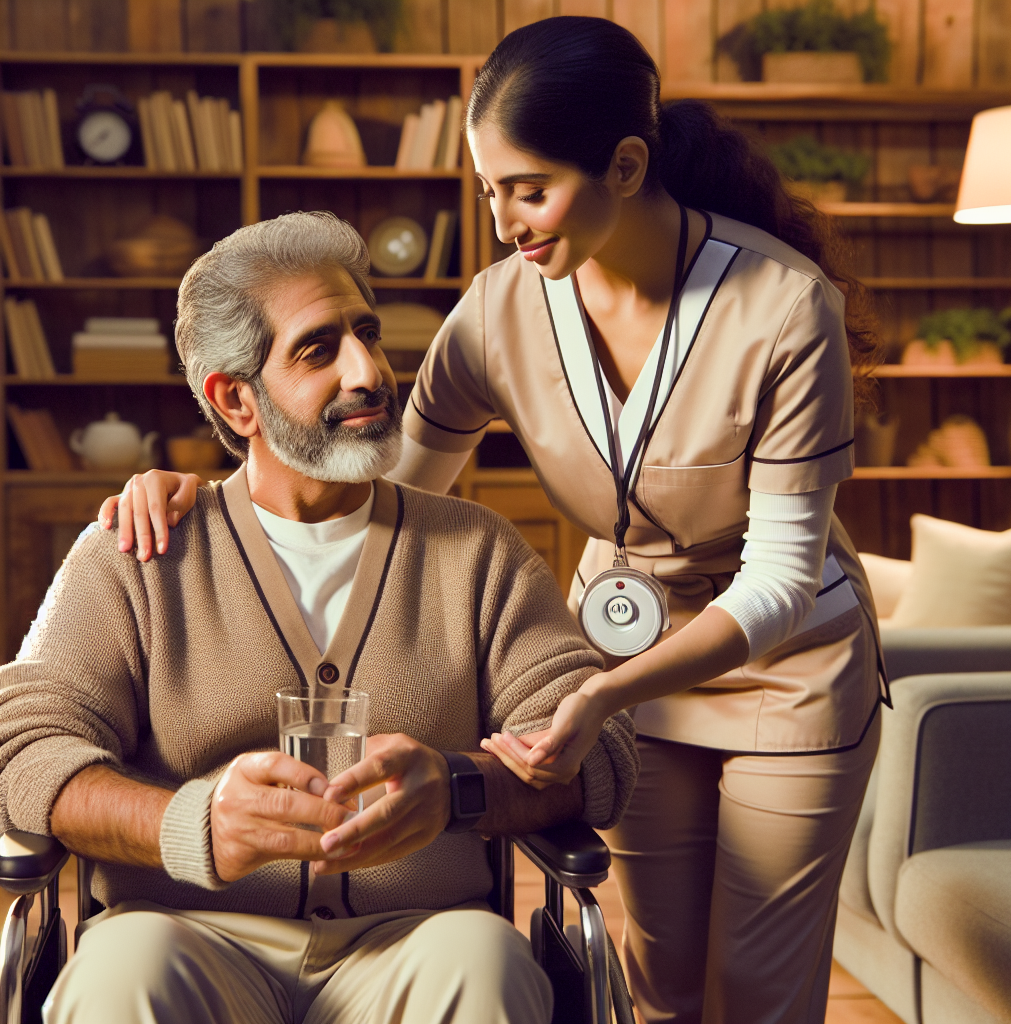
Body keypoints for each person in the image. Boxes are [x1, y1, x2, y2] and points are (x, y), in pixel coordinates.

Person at [101, 16, 890, 1024]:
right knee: (664, 989)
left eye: (529, 189)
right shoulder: (498, 309)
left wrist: (598, 695)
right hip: (626, 644)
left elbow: (779, 581)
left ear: (624, 164)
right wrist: (200, 488)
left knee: (755, 998)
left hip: (785, 666)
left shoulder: (783, 306)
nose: (505, 220)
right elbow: (382, 491)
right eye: (487, 191)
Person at [0, 211, 639, 1024]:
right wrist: (192, 823)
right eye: (318, 350)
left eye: (367, 334)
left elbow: (601, 749)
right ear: (236, 400)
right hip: (190, 934)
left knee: (486, 963)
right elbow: (23, 747)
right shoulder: (137, 553)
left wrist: (457, 789)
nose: (369, 371)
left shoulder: (476, 550)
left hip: (415, 940)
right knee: (121, 971)